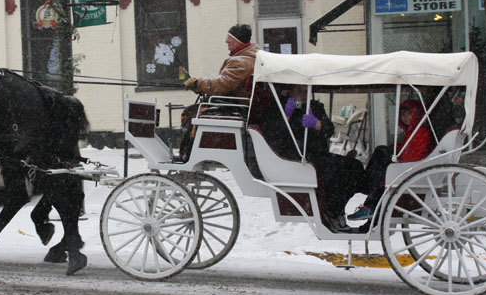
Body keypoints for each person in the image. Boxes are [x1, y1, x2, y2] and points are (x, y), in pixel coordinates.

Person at [279, 85, 364, 233]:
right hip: (297, 157)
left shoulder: (315, 107)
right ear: (290, 91)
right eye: (300, 91)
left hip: (319, 154)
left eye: (307, 91)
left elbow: (329, 129)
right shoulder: (280, 107)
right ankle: (332, 211)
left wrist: (316, 124)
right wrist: (286, 116)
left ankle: (336, 209)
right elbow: (275, 134)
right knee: (337, 171)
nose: (304, 95)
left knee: (354, 166)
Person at [177, 23, 260, 161]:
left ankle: (189, 154)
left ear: (238, 40)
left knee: (191, 112)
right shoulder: (248, 57)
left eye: (230, 38)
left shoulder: (241, 61)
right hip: (239, 106)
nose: (226, 41)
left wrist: (198, 83)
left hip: (235, 108)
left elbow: (222, 85)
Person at [347, 99, 436, 226]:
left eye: (409, 114)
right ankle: (369, 187)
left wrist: (398, 158)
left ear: (416, 115)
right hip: (408, 166)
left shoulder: (421, 132)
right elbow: (408, 149)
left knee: (381, 152)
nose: (405, 118)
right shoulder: (413, 131)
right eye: (403, 115)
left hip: (409, 169)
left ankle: (369, 194)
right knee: (382, 151)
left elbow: (416, 154)